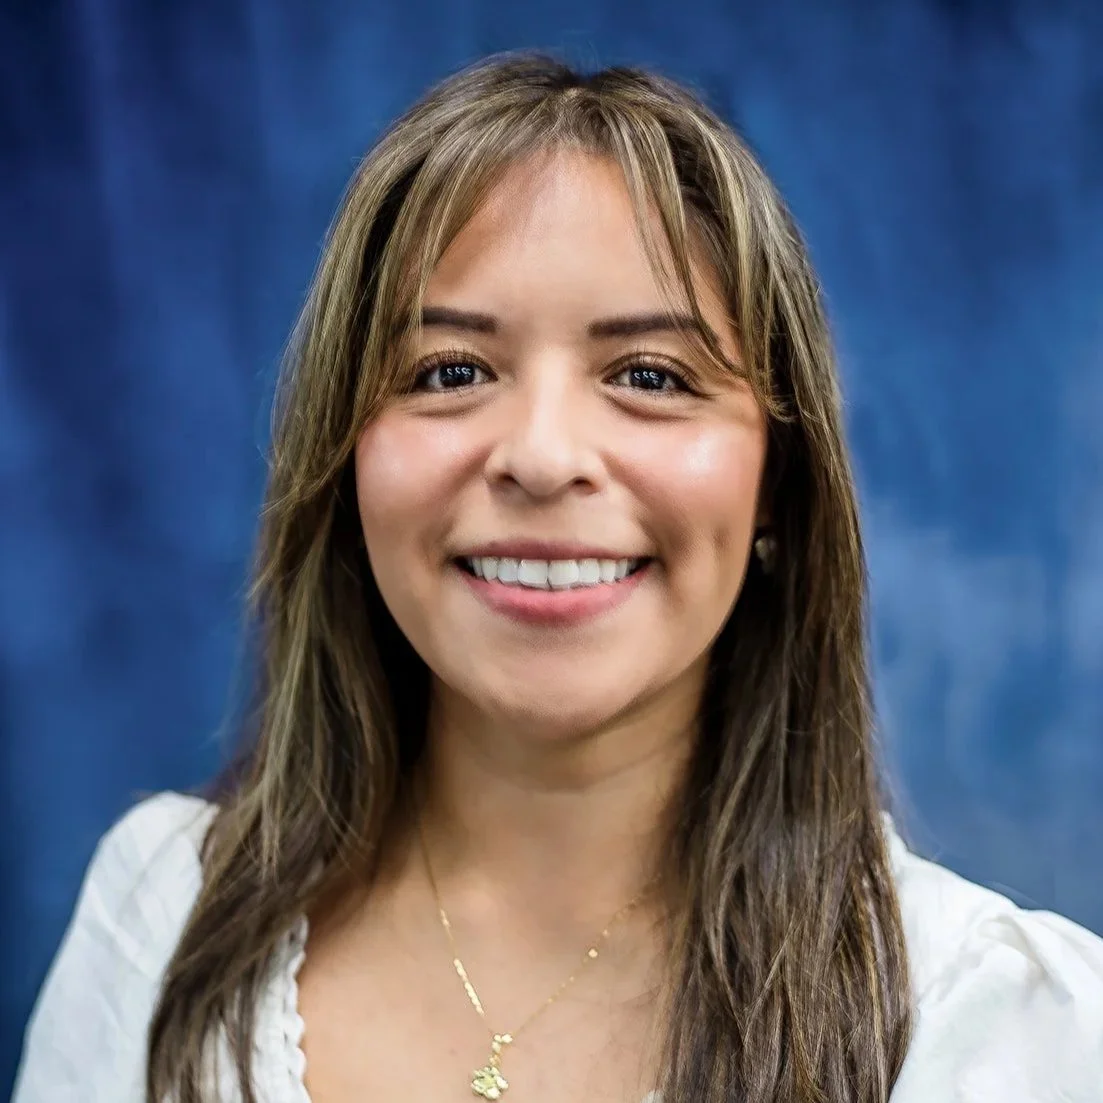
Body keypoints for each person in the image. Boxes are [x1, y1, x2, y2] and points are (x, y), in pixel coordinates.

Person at [12, 52, 1103, 1103]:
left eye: (647, 375)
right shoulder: (163, 917)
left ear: (776, 480)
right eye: (450, 370)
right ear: (346, 456)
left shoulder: (995, 1023)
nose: (539, 454)